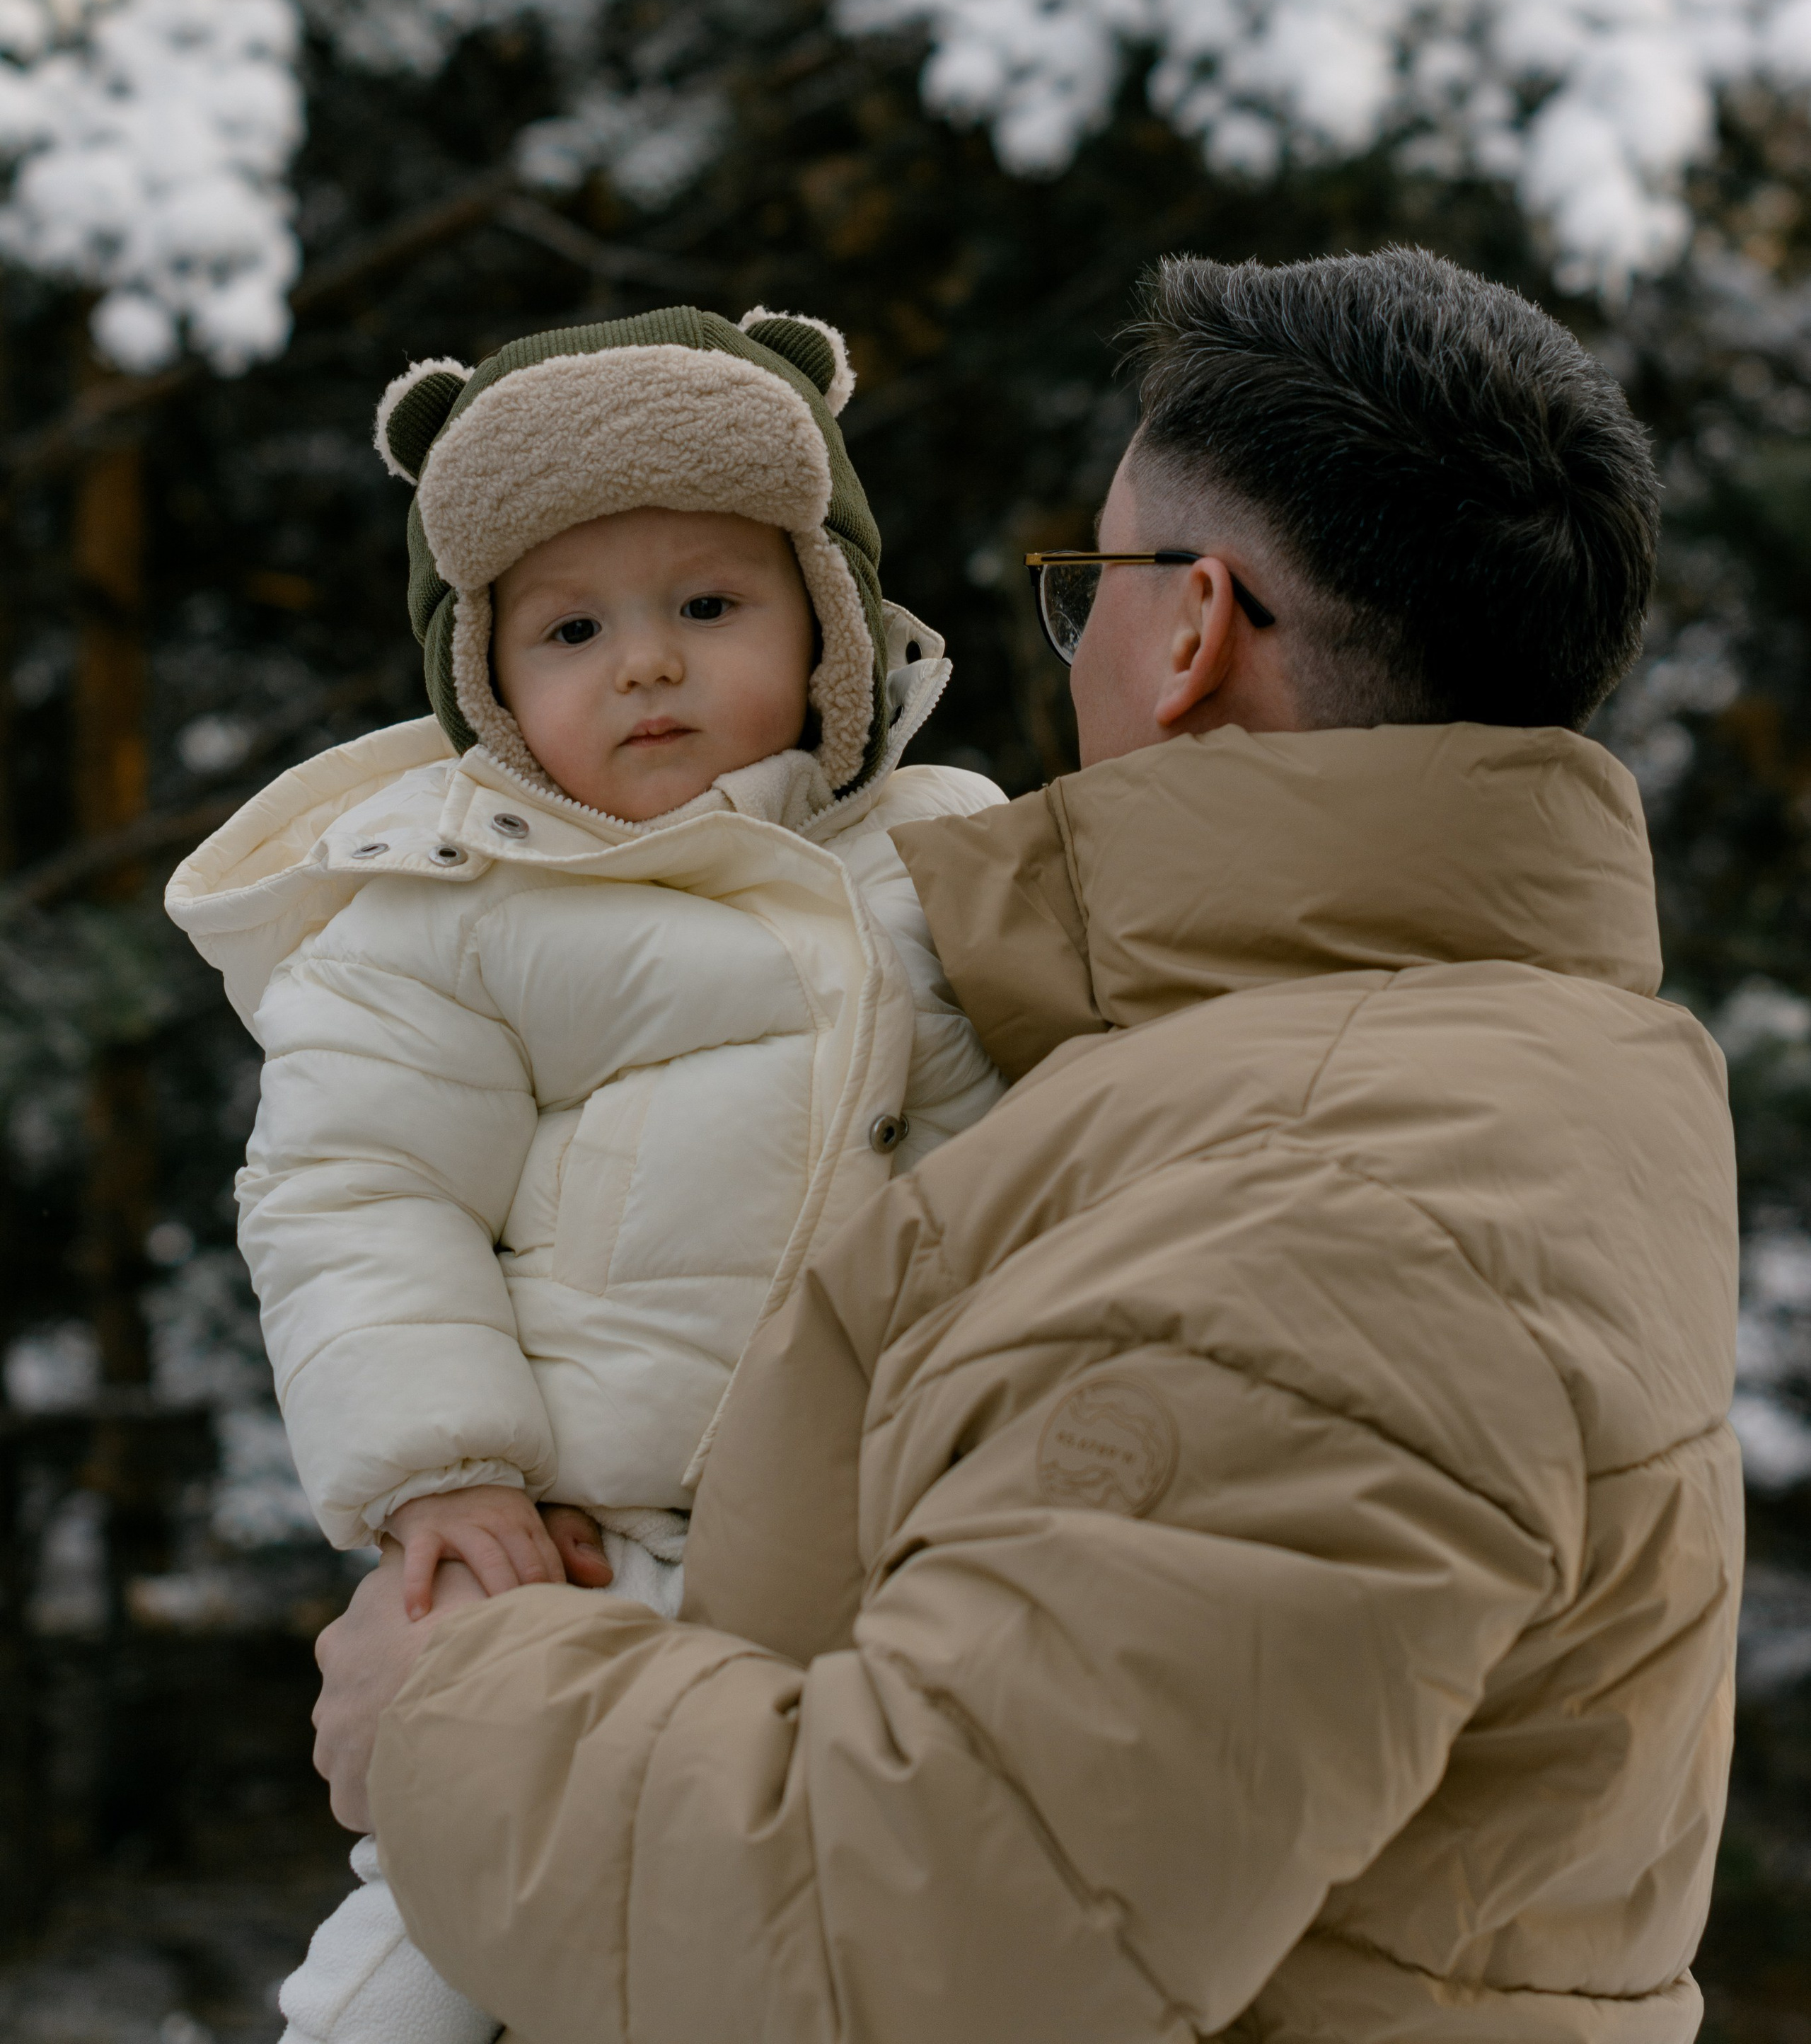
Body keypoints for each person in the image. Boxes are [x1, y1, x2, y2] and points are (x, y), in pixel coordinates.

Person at [311, 249, 1742, 2044]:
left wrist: (442, 1708)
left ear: (1194, 626)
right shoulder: (1454, 1077)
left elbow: (927, 1943)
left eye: (1090, 591)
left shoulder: (1321, 1196)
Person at [165, 306, 1007, 2044]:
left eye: (708, 606)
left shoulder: (951, 853)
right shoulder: (448, 912)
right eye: (571, 627)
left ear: (830, 624)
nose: (645, 664)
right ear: (484, 674)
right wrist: (443, 1469)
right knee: (450, 1935)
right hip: (594, 1545)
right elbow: (357, 1191)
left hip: (907, 1547)